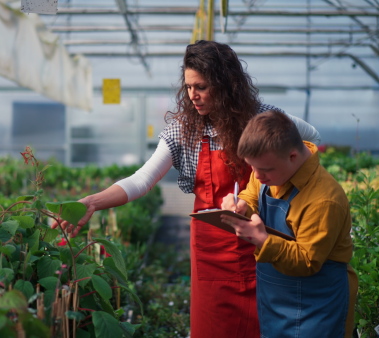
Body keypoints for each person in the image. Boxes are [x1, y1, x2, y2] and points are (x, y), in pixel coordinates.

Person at [55, 40, 321, 337]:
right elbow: (142, 179)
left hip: (258, 243)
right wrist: (93, 201)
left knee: (260, 325)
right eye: (189, 86)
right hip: (210, 249)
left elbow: (310, 137)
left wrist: (294, 189)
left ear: (227, 84)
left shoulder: (261, 120)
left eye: (202, 87)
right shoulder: (185, 129)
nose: (193, 95)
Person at [220, 109, 357, 338]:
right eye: (252, 167)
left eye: (264, 170)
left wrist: (263, 241)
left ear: (293, 156)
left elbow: (306, 262)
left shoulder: (324, 200)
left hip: (319, 306)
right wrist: (242, 204)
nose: (257, 175)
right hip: (276, 299)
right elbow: (252, 193)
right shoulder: (268, 167)